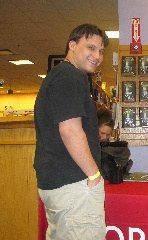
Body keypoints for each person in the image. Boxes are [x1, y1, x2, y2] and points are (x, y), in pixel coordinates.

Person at [34, 24, 109, 240]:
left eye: (101, 51)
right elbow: (70, 130)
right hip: (74, 185)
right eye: (91, 48)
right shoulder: (70, 77)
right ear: (72, 45)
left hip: (59, 184)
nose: (97, 56)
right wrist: (94, 175)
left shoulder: (58, 76)